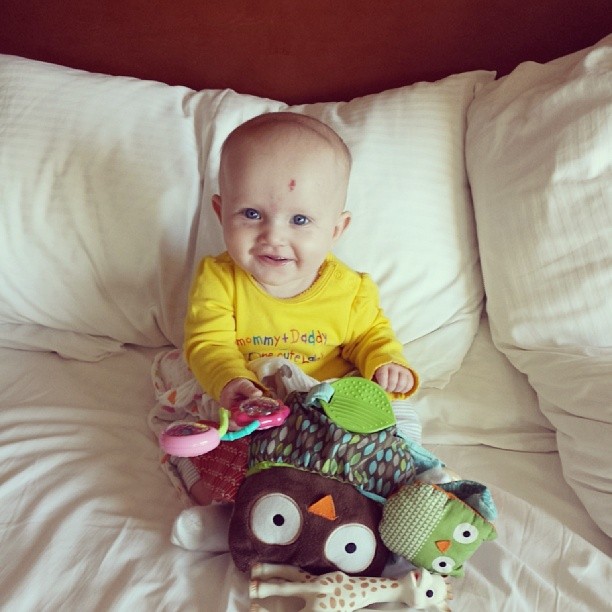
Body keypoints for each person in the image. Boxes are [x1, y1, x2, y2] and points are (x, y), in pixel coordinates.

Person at [179, 111, 419, 504]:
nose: (273, 236)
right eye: (251, 214)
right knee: (217, 439)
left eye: (300, 219)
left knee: (399, 423)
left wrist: (385, 364)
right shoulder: (219, 279)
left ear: (336, 230)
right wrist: (232, 384)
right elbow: (208, 343)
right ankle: (223, 506)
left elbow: (369, 336)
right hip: (252, 401)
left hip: (328, 404)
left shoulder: (349, 290)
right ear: (221, 213)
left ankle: (393, 492)